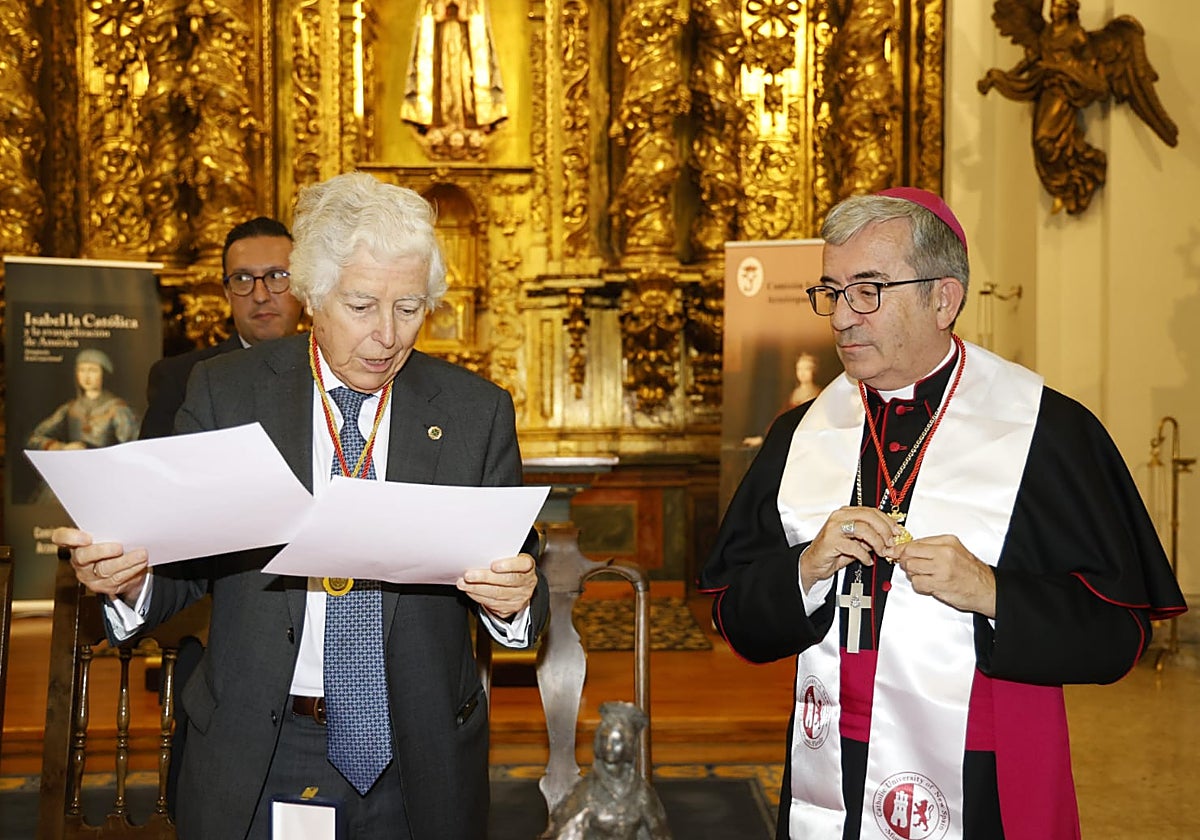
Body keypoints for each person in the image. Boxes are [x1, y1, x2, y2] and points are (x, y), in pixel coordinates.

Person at [54, 171, 550, 840]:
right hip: (261, 744)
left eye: (409, 307)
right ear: (312, 294)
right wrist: (131, 577)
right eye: (361, 305)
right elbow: (183, 566)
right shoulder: (227, 394)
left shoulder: (472, 412)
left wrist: (513, 598)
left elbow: (522, 574)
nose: (387, 335)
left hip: (420, 751)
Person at [699, 187, 1186, 840]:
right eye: (832, 291)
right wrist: (805, 568)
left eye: (868, 290)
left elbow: (1118, 638)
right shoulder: (799, 435)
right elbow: (735, 618)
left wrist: (990, 591)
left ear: (943, 298)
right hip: (828, 765)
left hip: (978, 769)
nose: (842, 317)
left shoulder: (1045, 431)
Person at [140, 216, 303, 438]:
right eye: (242, 279)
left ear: (303, 285)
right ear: (226, 292)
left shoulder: (335, 371)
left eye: (275, 276)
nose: (260, 295)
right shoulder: (180, 380)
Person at [541, 701, 671, 840]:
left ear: (629, 745)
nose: (609, 747)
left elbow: (659, 833)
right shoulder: (585, 793)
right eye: (604, 739)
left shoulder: (641, 793)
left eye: (617, 742)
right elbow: (564, 833)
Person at [27, 348, 139, 451]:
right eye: (82, 370)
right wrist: (63, 447)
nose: (87, 376)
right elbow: (34, 438)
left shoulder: (118, 409)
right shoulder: (70, 408)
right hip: (74, 467)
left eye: (93, 370)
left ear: (104, 373)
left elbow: (132, 448)